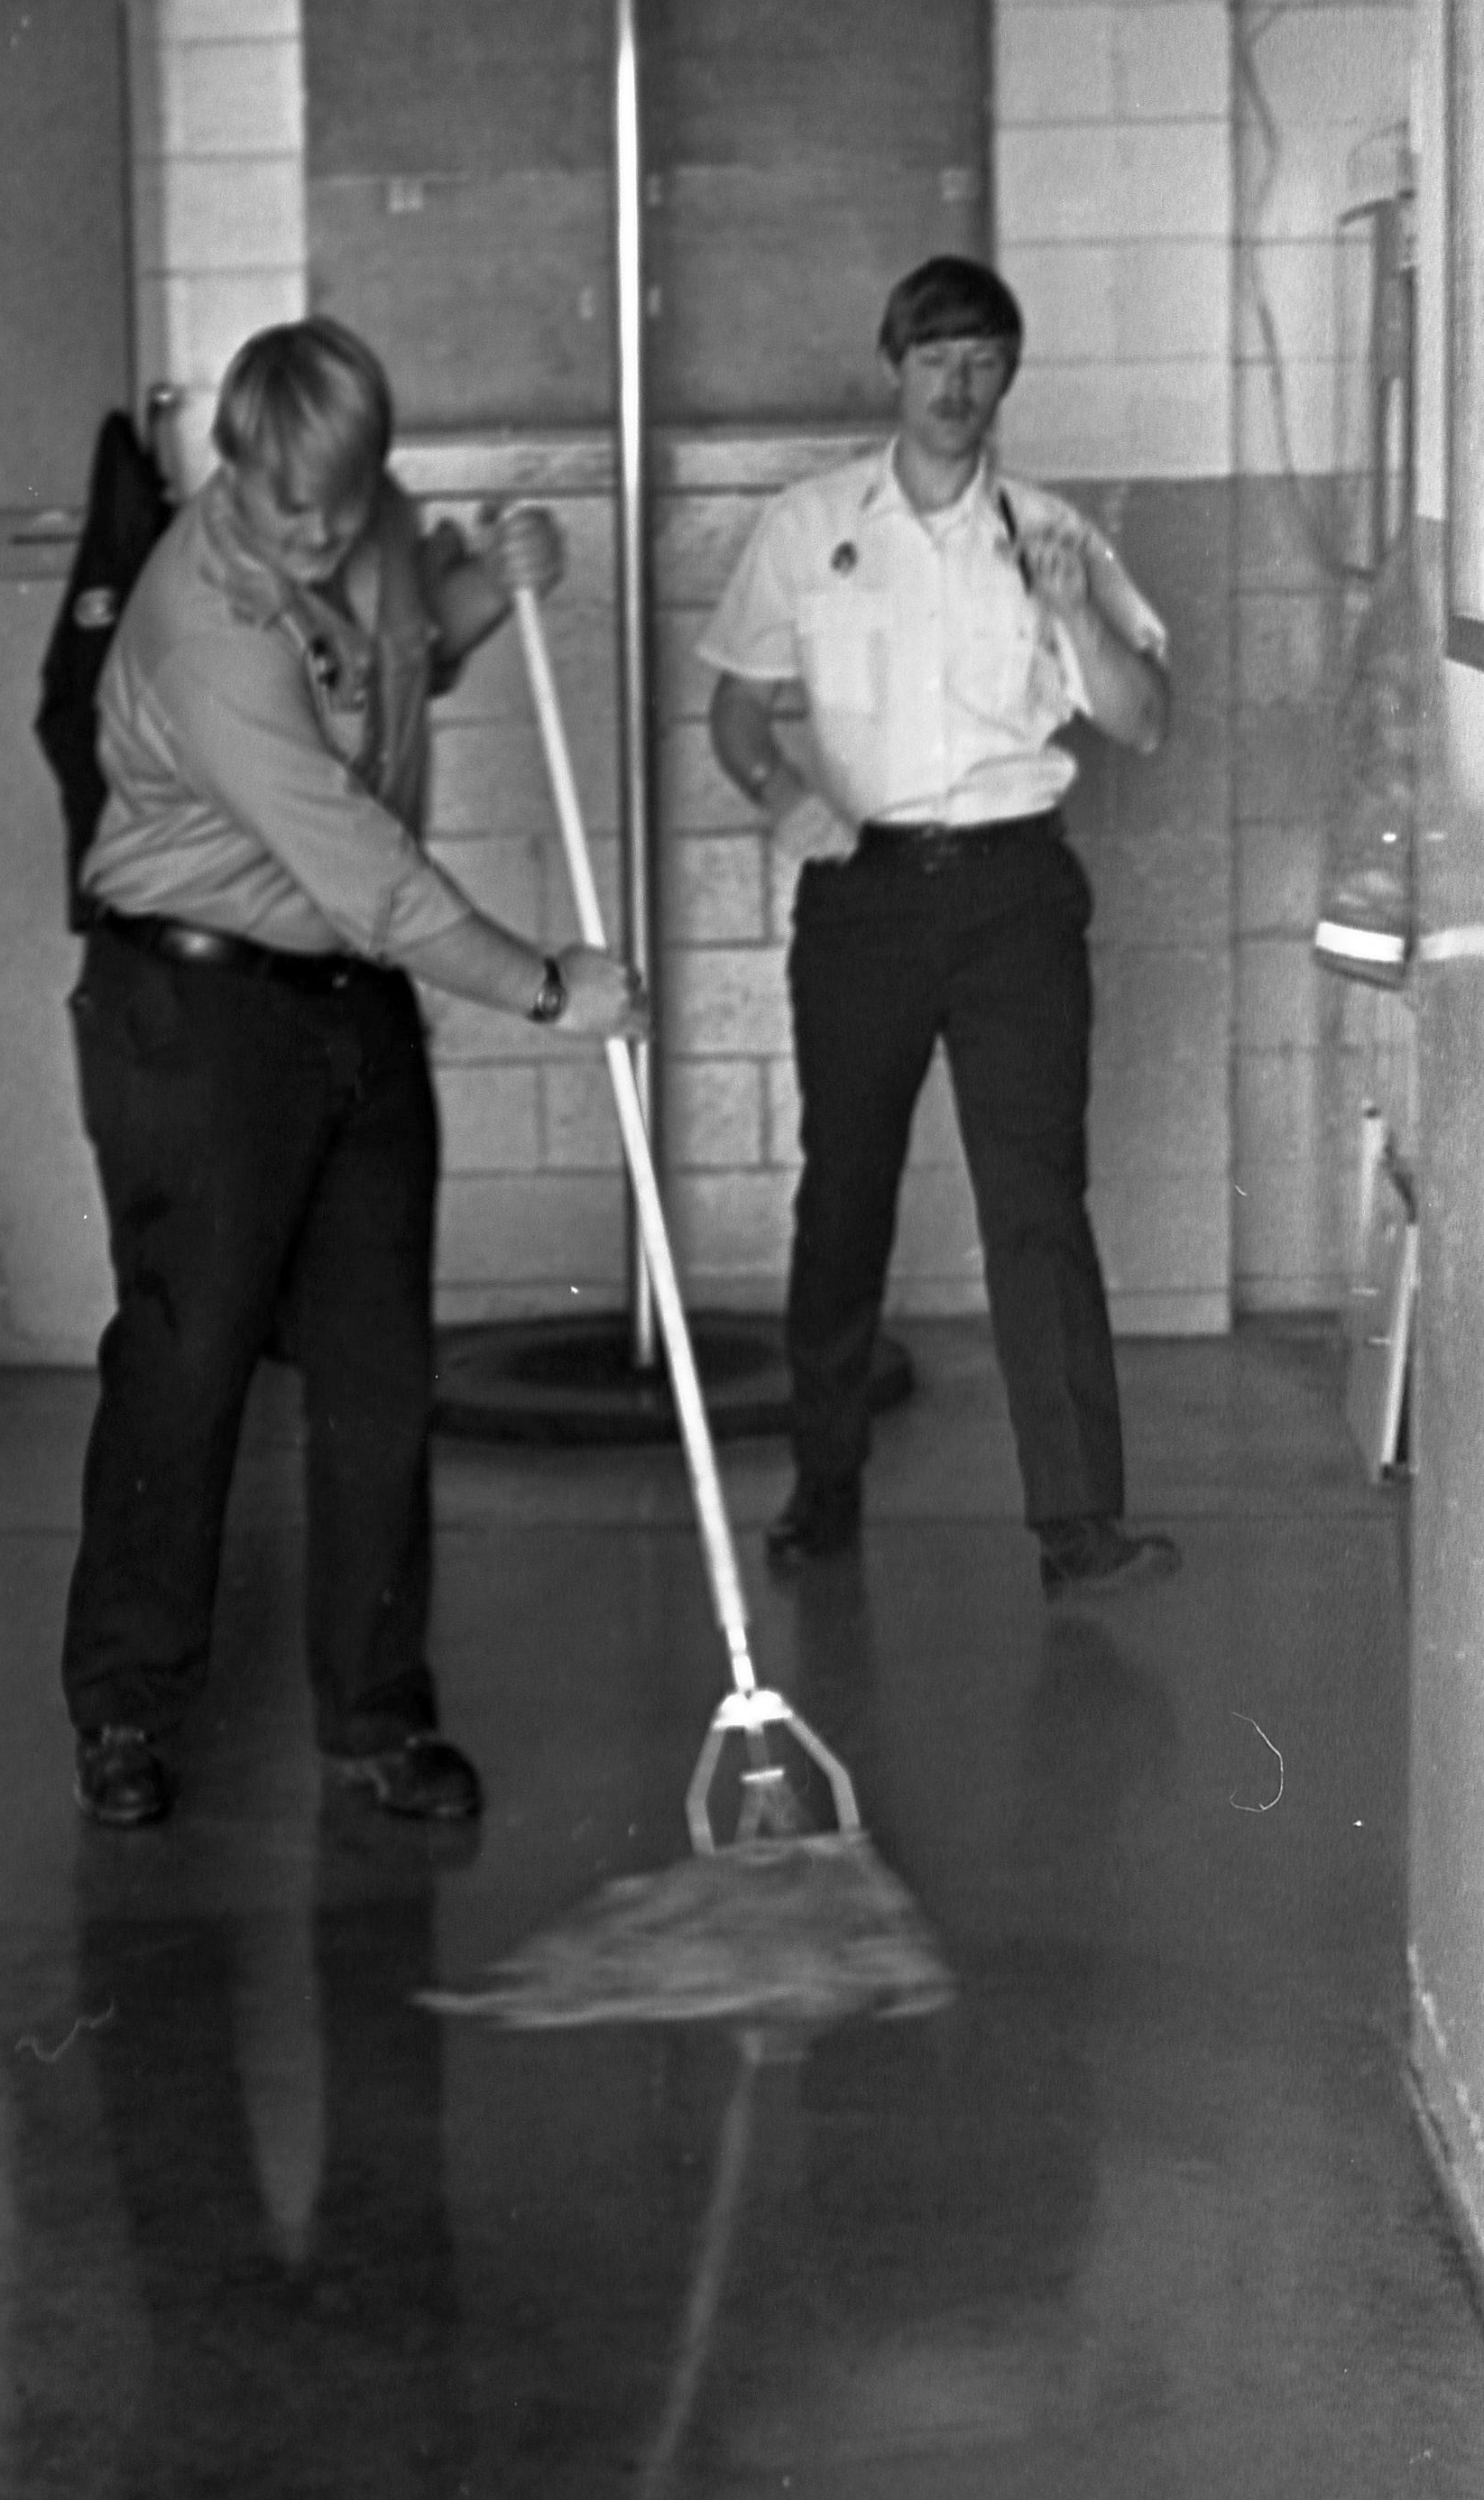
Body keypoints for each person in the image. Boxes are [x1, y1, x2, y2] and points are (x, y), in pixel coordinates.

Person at [61, 315, 646, 1830]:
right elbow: (368, 873)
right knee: (188, 1367)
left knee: (381, 1379)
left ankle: (379, 1720)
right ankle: (126, 1709)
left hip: (351, 1007)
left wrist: (487, 586)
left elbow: (405, 652)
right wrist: (547, 986)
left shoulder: (368, 518)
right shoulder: (204, 619)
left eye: (344, 499)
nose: (319, 532)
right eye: (288, 503)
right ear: (232, 459)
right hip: (195, 1016)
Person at [699, 255, 1181, 1601]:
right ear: (893, 367)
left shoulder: (1054, 532)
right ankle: (823, 1486)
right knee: (843, 1194)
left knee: (1036, 1204)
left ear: (1008, 375)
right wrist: (780, 795)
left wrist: (1070, 603)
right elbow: (734, 713)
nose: (957, 387)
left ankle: (1079, 1527)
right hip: (862, 892)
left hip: (1015, 893)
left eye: (982, 362)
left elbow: (1145, 720)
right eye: (934, 360)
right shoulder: (809, 527)